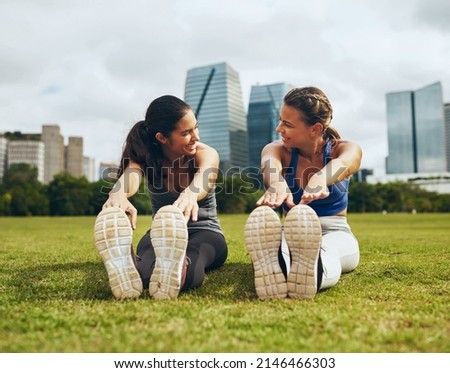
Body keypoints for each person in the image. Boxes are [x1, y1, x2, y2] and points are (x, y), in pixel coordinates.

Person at [94, 95, 228, 300]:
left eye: (196, 128)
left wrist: (191, 194)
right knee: (146, 271)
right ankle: (126, 263)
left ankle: (177, 265)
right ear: (162, 138)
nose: (196, 137)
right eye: (186, 132)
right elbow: (130, 176)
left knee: (192, 261)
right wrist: (119, 194)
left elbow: (205, 176)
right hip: (161, 232)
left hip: (205, 231)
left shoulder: (205, 153)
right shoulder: (146, 158)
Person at [244, 87, 362, 300]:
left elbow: (346, 163)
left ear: (315, 129)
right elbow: (269, 163)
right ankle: (279, 266)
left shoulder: (343, 149)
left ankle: (310, 272)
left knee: (329, 252)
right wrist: (277, 184)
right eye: (280, 121)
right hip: (292, 233)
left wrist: (320, 178)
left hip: (334, 231)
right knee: (288, 251)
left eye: (288, 124)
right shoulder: (278, 149)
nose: (279, 128)